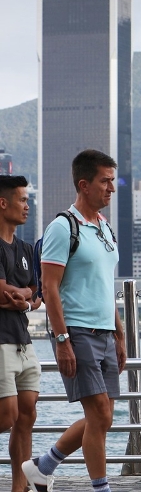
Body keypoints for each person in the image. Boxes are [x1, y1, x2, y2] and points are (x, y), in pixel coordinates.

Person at [23, 150, 127, 492]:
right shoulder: (62, 227)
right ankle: (101, 488)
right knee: (99, 414)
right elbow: (50, 288)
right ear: (84, 185)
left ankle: (43, 466)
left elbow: (105, 285)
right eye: (105, 181)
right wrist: (62, 340)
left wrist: (120, 334)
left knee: (104, 417)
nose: (111, 188)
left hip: (106, 333)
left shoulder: (105, 228)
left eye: (112, 180)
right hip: (77, 332)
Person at [0, 176, 40, 492]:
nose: (28, 206)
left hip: (24, 342)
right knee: (7, 416)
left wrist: (23, 296)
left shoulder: (26, 248)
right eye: (23, 200)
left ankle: (19, 487)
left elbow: (37, 294)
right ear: (3, 203)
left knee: (27, 416)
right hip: (1, 341)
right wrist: (22, 294)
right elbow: (2, 291)